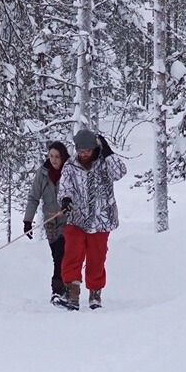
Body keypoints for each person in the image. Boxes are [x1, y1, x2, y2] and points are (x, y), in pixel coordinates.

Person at [53, 128, 126, 311]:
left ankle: (95, 293)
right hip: (77, 219)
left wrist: (109, 153)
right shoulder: (70, 165)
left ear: (94, 148)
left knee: (97, 258)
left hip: (102, 220)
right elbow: (65, 187)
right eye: (80, 151)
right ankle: (72, 292)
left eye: (87, 151)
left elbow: (120, 173)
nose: (83, 154)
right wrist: (66, 200)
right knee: (72, 255)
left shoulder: (104, 163)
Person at [22, 141, 71, 303]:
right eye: (51, 156)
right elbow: (33, 197)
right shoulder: (42, 174)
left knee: (60, 255)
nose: (54, 160)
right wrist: (28, 220)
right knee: (56, 255)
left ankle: (58, 290)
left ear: (63, 157)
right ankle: (63, 287)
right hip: (50, 221)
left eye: (57, 156)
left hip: (68, 221)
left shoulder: (70, 172)